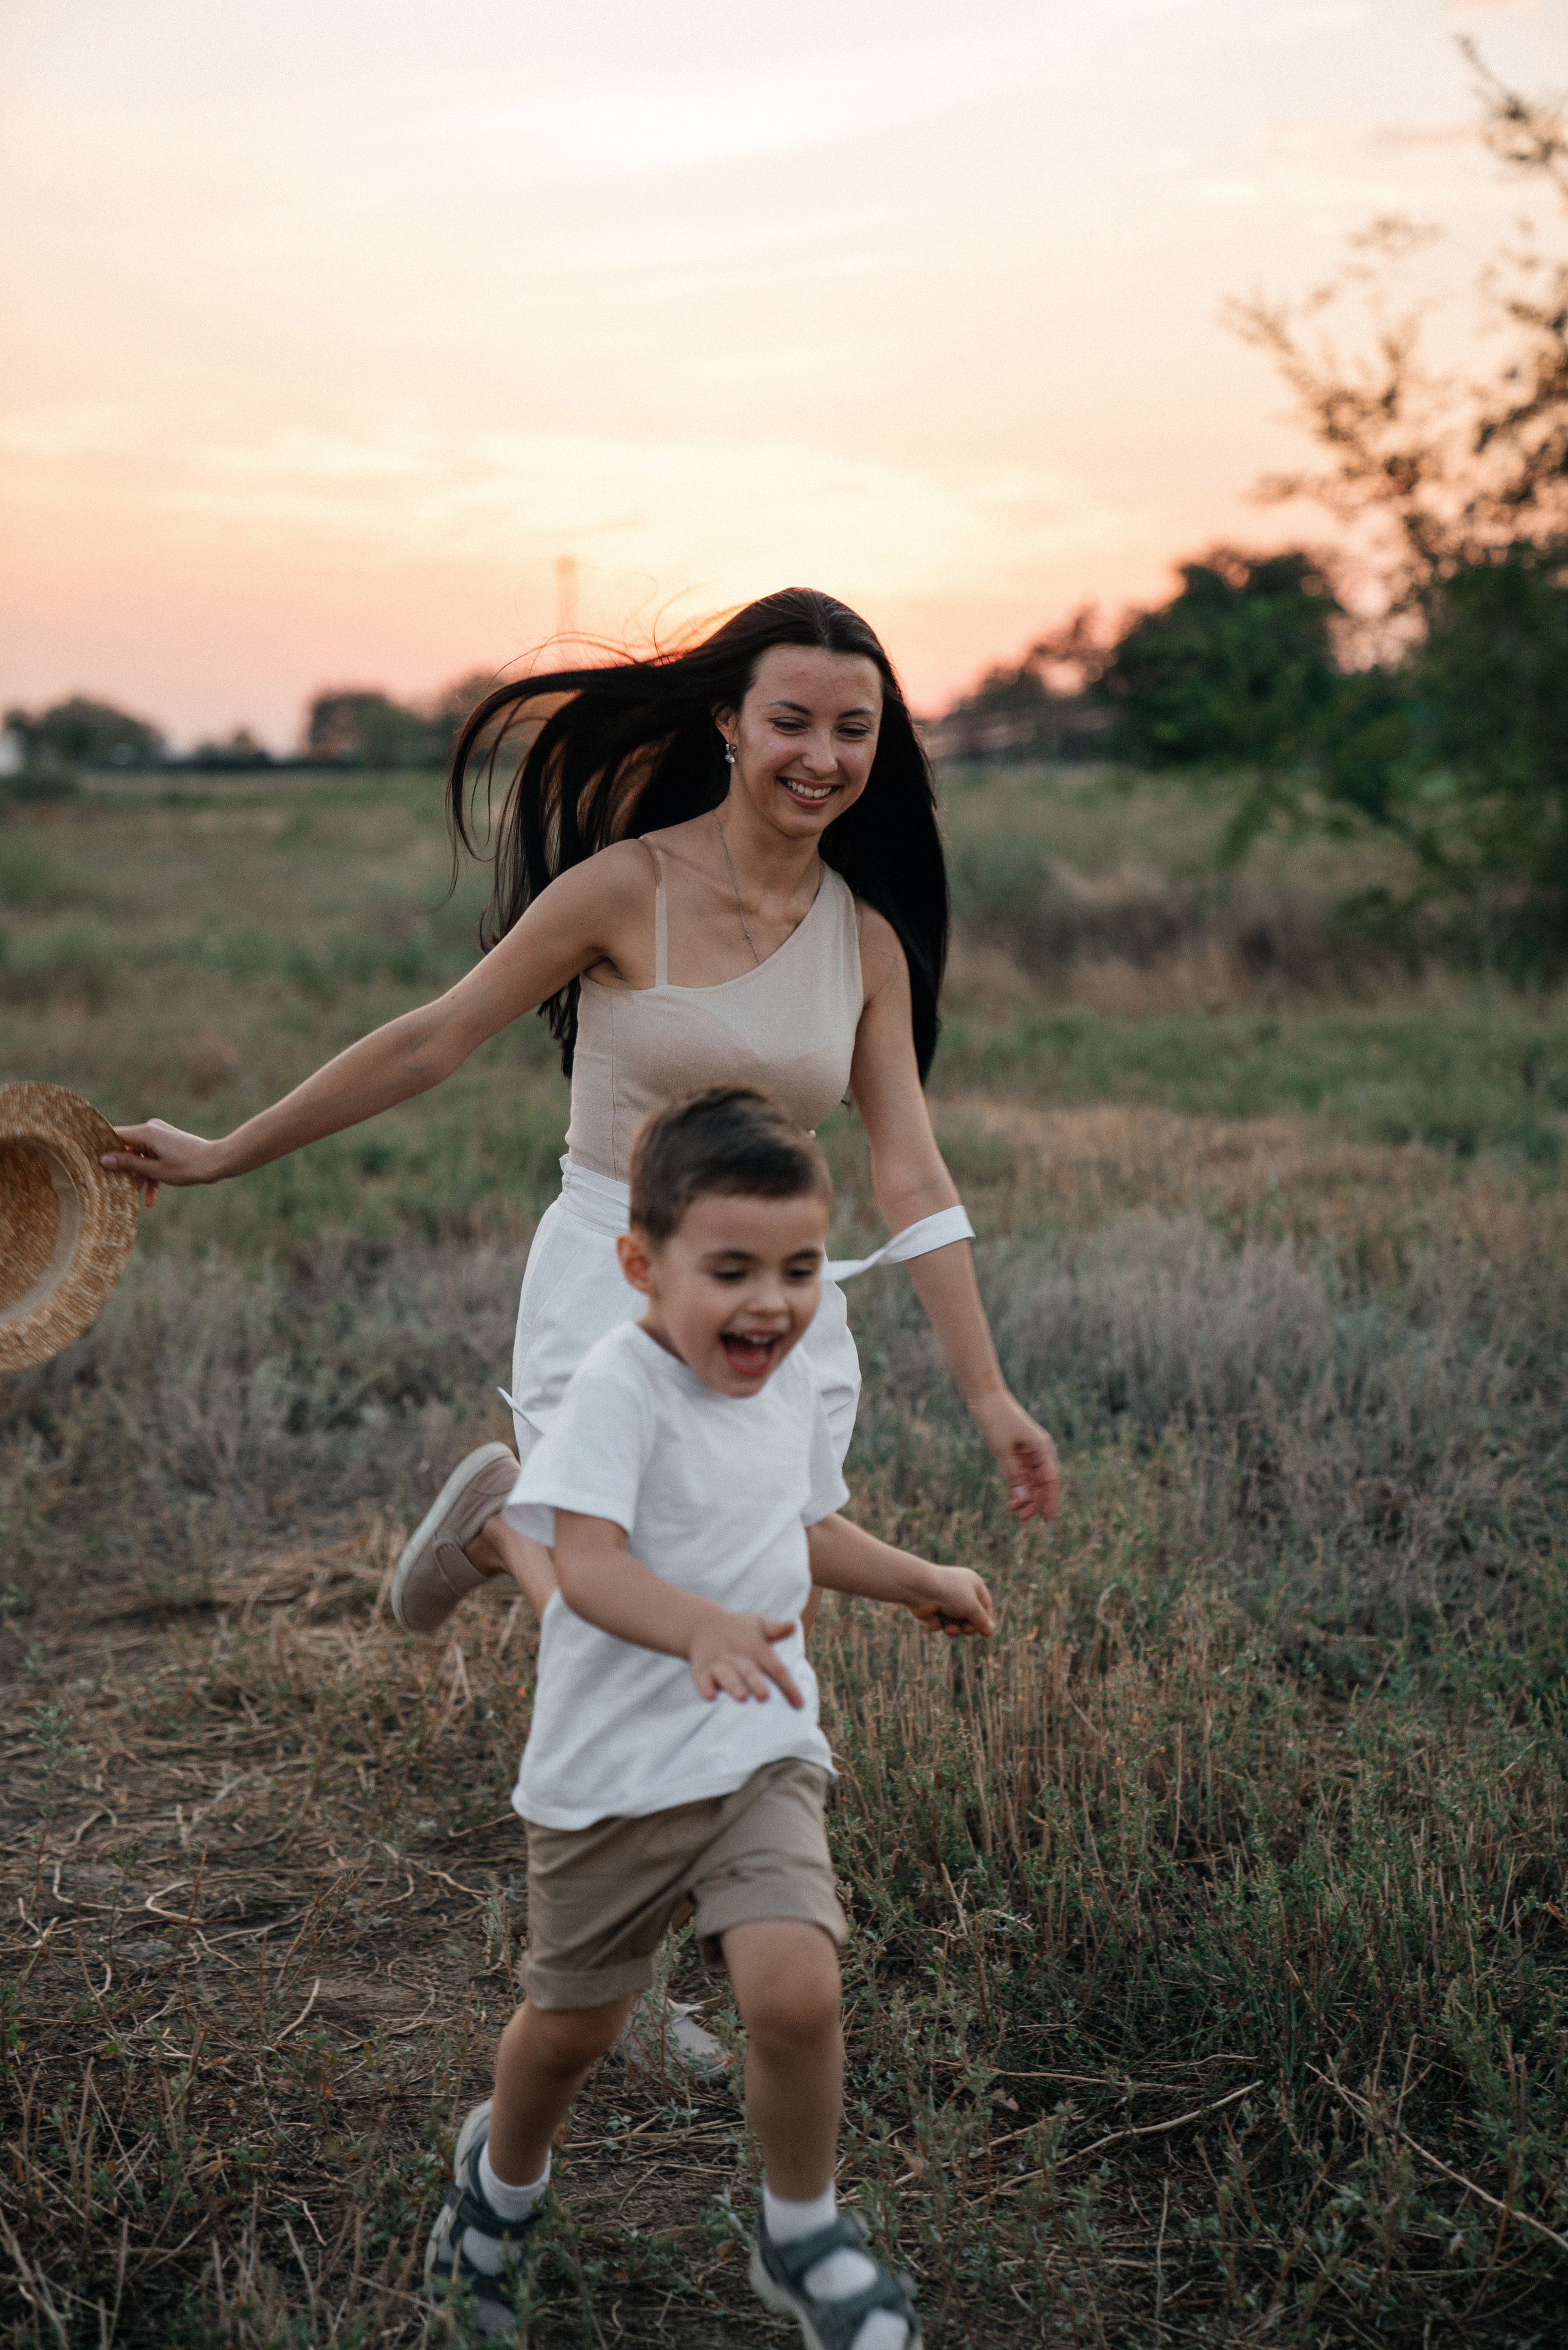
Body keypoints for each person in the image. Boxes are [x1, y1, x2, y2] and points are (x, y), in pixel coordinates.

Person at [101, 586, 1061, 1627]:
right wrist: (224, 1152)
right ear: (728, 723)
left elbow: (911, 1172)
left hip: (762, 1283)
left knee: (742, 1551)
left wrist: (989, 1395)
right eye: (791, 721)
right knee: (647, 1572)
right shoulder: (624, 887)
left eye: (852, 729)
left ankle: (517, 1527)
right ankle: (516, 1527)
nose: (821, 756)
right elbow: (433, 1040)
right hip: (618, 1265)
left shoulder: (867, 941)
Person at [425, 1087, 993, 2346]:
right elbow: (586, 1565)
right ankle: (497, 2192)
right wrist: (695, 1627)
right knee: (573, 2028)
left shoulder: (783, 1379)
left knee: (794, 1988)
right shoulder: (617, 1384)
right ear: (641, 1264)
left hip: (754, 1746)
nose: (769, 1303)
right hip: (609, 1767)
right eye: (729, 1269)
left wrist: (918, 1579)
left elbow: (796, 1521)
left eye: (798, 1268)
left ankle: (803, 2229)